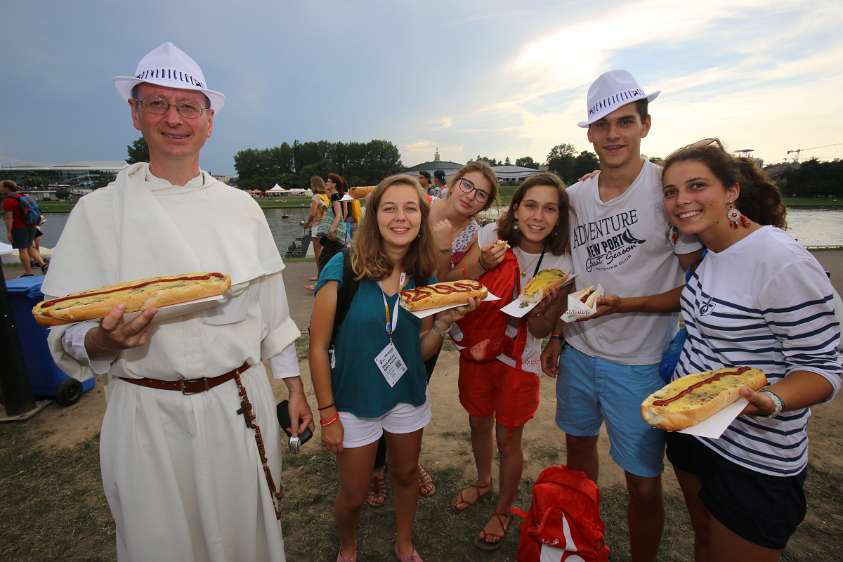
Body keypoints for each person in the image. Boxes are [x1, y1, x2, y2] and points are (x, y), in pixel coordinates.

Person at [42, 42, 312, 562]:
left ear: (209, 121)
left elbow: (272, 316)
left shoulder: (243, 209)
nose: (173, 119)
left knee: (245, 537)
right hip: (147, 415)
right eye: (157, 104)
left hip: (238, 405)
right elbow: (64, 333)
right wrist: (101, 340)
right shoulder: (98, 213)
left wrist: (294, 388)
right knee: (160, 543)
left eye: (188, 106)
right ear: (135, 114)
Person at [600, 140, 840, 561]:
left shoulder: (780, 260)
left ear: (731, 191)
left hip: (753, 452)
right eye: (671, 191)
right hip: (696, 430)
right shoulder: (711, 252)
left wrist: (772, 400)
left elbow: (824, 367)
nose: (681, 200)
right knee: (706, 538)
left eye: (697, 186)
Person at [540, 69, 702, 562]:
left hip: (640, 361)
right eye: (602, 124)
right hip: (580, 353)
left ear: (645, 126)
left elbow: (696, 289)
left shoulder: (667, 191)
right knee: (577, 460)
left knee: (644, 483)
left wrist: (627, 305)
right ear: (589, 133)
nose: (613, 134)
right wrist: (558, 336)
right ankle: (582, 546)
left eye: (625, 122)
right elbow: (572, 275)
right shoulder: (575, 198)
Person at [309, 174, 478, 562]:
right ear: (374, 217)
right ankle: (348, 545)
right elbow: (317, 348)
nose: (400, 217)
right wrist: (328, 414)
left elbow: (419, 351)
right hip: (353, 400)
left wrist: (442, 323)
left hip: (406, 396)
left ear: (421, 217)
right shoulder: (343, 268)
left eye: (410, 209)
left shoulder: (423, 275)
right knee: (353, 494)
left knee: (405, 475)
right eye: (389, 208)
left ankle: (404, 542)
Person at [364, 160, 501, 509]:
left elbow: (446, 283)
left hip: (427, 321)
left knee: (413, 387)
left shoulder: (473, 234)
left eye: (481, 195)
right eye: (468, 185)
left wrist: (451, 253)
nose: (471, 196)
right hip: (384, 310)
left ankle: (405, 459)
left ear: (485, 204)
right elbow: (383, 249)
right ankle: (376, 466)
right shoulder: (418, 206)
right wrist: (436, 244)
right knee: (377, 383)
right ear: (454, 183)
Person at [451, 173, 572, 550]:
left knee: (508, 440)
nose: (538, 216)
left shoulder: (562, 262)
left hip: (520, 361)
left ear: (559, 216)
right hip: (478, 349)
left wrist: (542, 309)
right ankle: (483, 481)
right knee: (477, 422)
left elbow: (538, 329)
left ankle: (503, 510)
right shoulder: (490, 236)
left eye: (549, 209)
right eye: (531, 205)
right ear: (516, 208)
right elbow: (455, 281)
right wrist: (482, 264)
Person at [1, 179, 48, 276]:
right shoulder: (23, 196)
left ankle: (28, 272)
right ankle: (43, 265)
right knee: (30, 247)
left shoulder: (8, 200)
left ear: (6, 188)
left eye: (0, 186)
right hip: (31, 226)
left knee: (22, 249)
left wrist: (9, 232)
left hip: (19, 228)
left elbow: (9, 218)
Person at [317, 173, 348, 272]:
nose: (326, 183)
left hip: (333, 232)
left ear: (334, 184)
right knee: (335, 257)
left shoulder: (335, 196)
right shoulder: (336, 195)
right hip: (337, 232)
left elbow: (338, 214)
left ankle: (324, 280)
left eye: (328, 181)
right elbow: (344, 213)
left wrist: (332, 229)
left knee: (325, 260)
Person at [303, 175, 328, 290]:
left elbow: (313, 213)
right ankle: (321, 275)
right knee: (324, 251)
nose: (310, 186)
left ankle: (320, 277)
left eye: (311, 184)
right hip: (325, 225)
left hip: (316, 226)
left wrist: (307, 223)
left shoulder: (315, 197)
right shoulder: (325, 196)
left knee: (318, 253)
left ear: (314, 185)